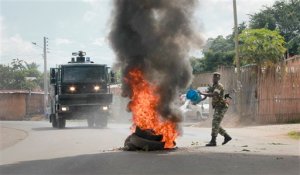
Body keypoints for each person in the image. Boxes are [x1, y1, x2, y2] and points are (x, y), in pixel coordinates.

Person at [200, 72, 232, 146]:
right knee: (216, 123)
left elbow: (214, 94)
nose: (215, 79)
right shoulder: (213, 86)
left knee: (215, 123)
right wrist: (200, 97)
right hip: (218, 106)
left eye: (216, 78)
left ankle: (213, 141)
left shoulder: (219, 86)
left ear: (219, 79)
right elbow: (207, 93)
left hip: (222, 106)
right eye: (214, 77)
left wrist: (203, 94)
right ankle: (227, 136)